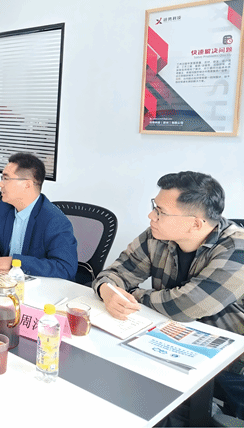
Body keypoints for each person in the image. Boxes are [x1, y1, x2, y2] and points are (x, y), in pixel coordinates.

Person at [91, 171, 244, 419]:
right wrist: (107, 291)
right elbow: (114, 274)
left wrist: (134, 294)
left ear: (196, 224)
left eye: (160, 211)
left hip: (228, 363)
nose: (151, 216)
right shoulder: (157, 236)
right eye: (155, 206)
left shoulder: (238, 248)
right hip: (169, 344)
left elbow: (186, 305)